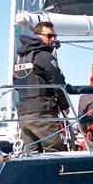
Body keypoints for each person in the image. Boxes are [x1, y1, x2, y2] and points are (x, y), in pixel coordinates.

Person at [13, 21, 70, 152]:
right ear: (37, 35)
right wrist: (64, 104)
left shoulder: (20, 58)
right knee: (55, 152)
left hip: (23, 115)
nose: (53, 39)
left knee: (31, 154)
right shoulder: (44, 56)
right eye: (49, 36)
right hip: (43, 115)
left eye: (54, 36)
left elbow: (16, 84)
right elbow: (57, 81)